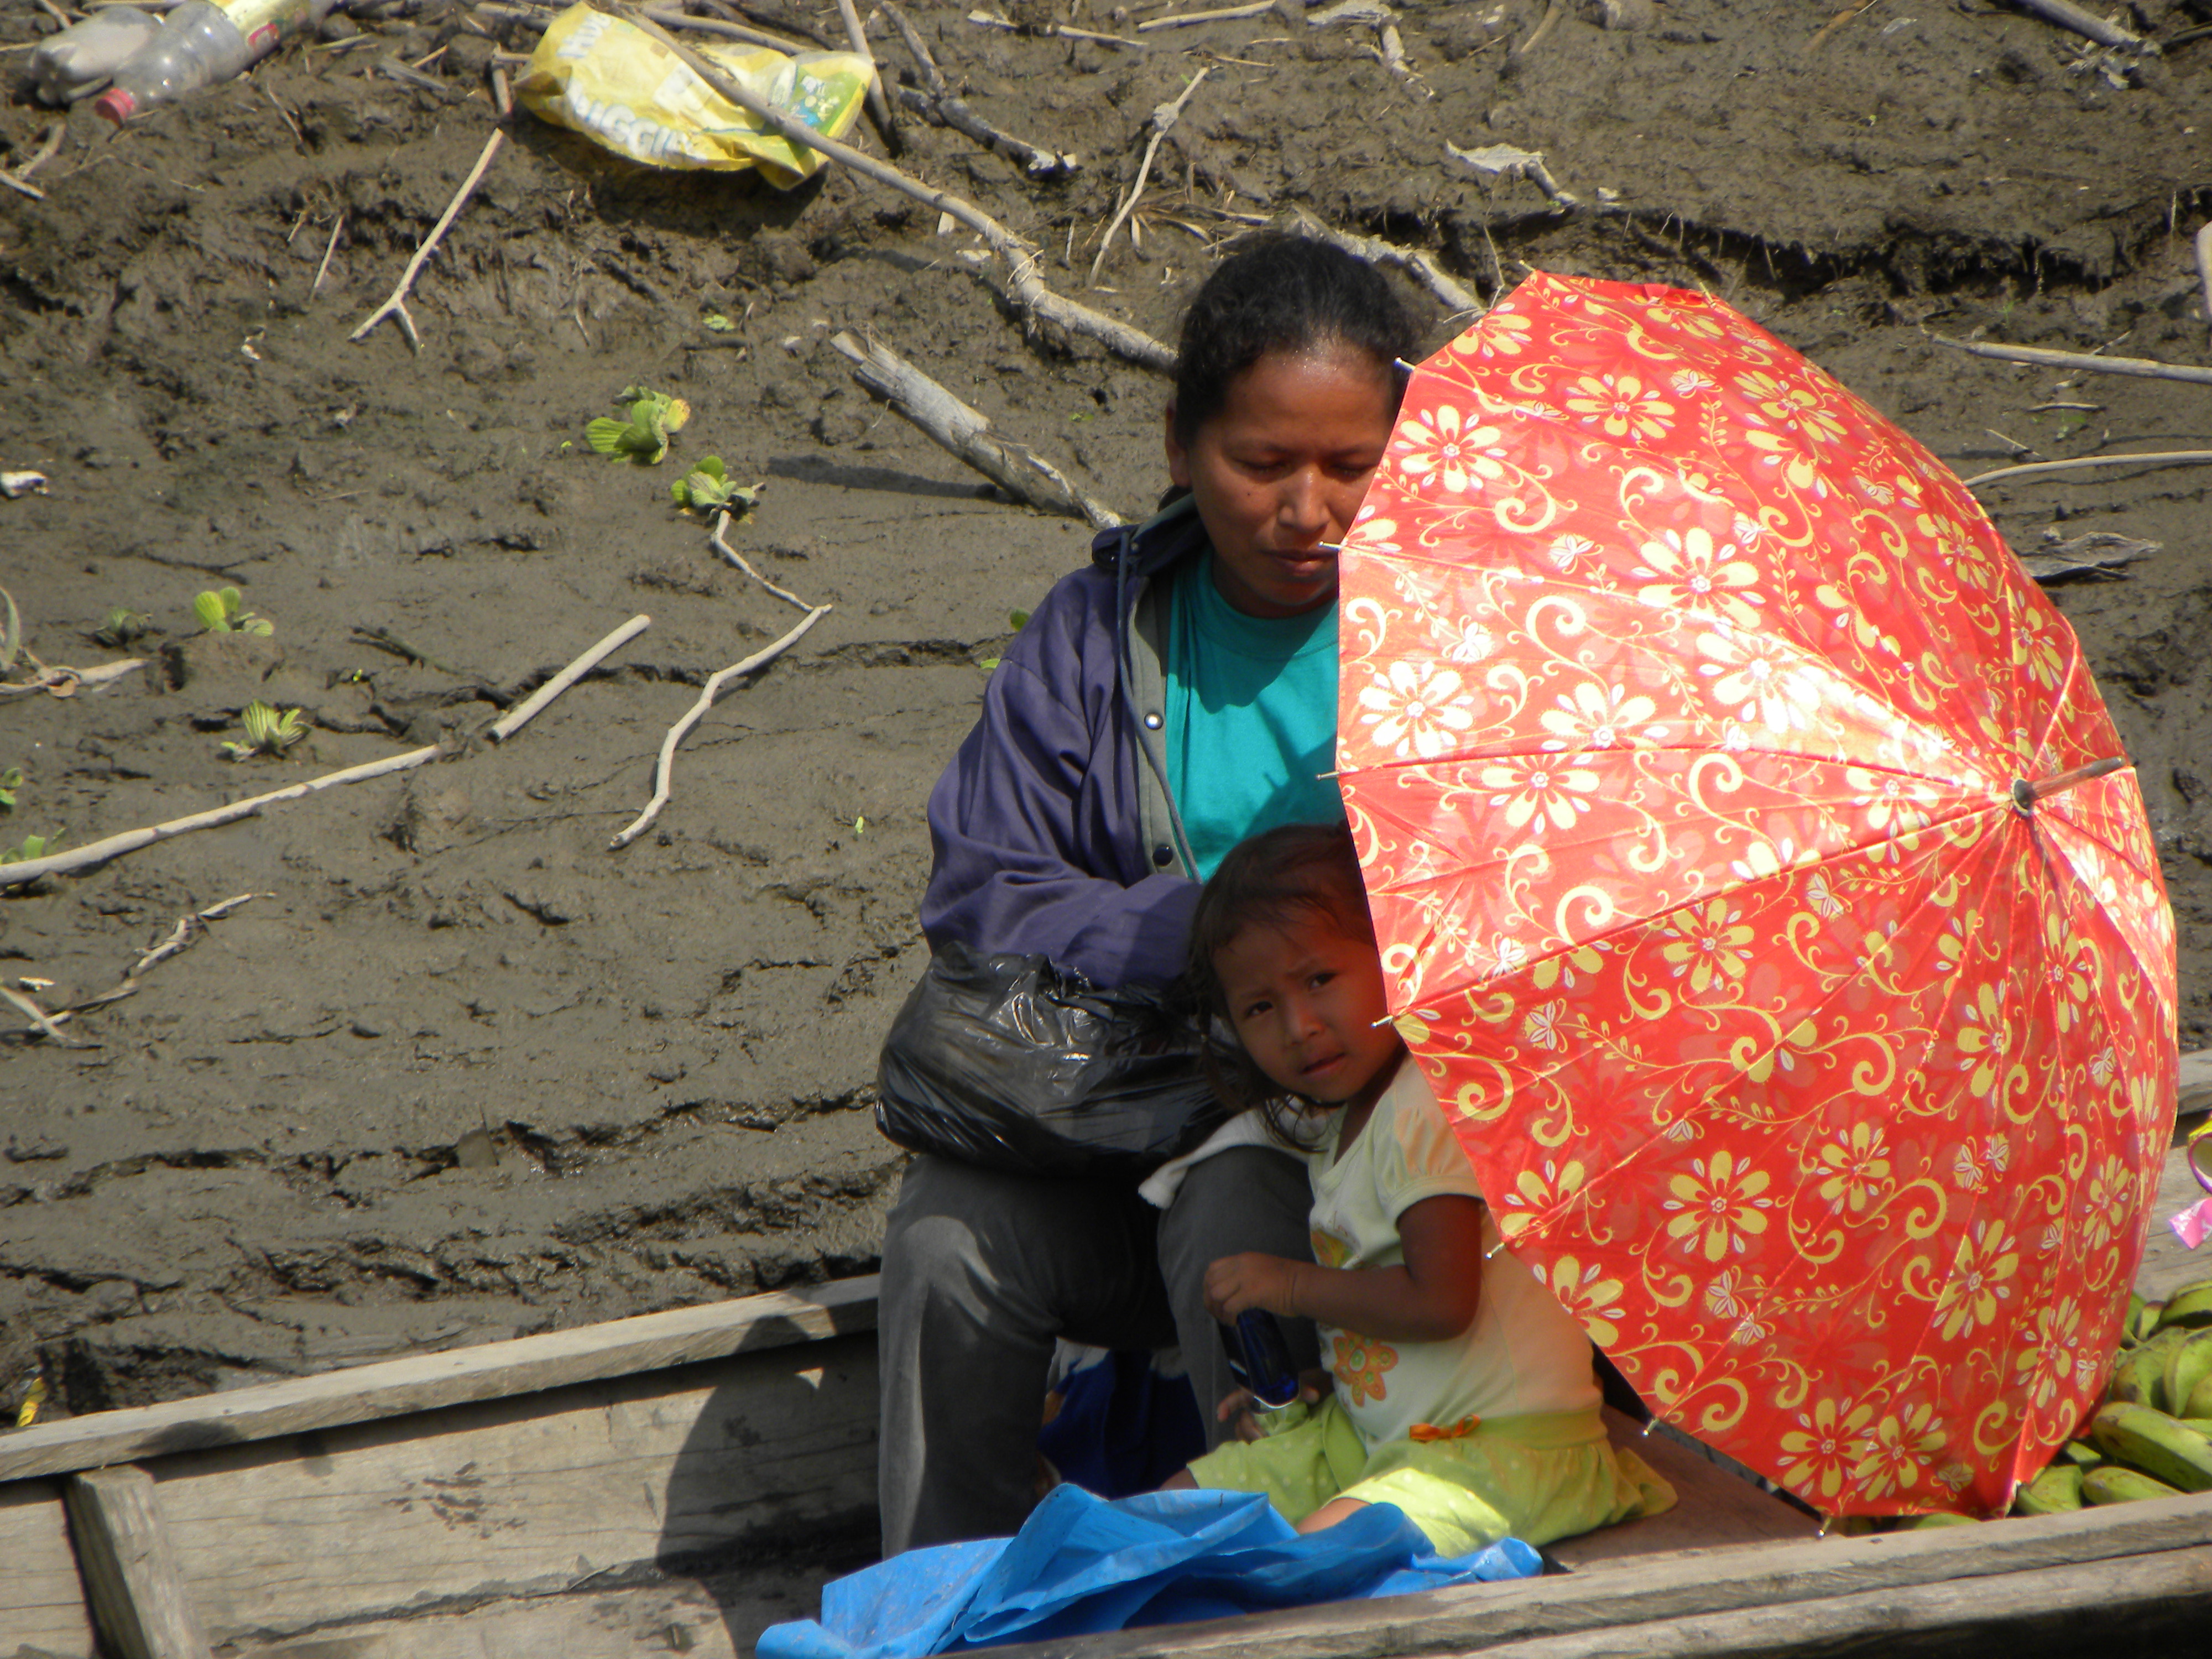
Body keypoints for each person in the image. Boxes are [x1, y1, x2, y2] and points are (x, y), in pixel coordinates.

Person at [877, 236, 1423, 1554]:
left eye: (1353, 467)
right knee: (948, 1239)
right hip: (1128, 1132)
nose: (1310, 509)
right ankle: (957, 1606)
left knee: (1240, 1205)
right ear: (1180, 446)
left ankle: (1266, 1584)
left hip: (1396, 1169)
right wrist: (1220, 938)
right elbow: (986, 890)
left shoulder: (1458, 633)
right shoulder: (1090, 633)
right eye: (1262, 464)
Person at [1162, 822, 1676, 1558]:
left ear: (1393, 955)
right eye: (1259, 1008)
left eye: (1319, 980)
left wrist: (1289, 1286)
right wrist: (1322, 1380)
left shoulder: (1426, 1105)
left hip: (1503, 1456)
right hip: (1386, 1439)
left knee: (1307, 1564)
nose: (1300, 1027)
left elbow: (1442, 1303)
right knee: (1175, 1509)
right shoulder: (1349, 1125)